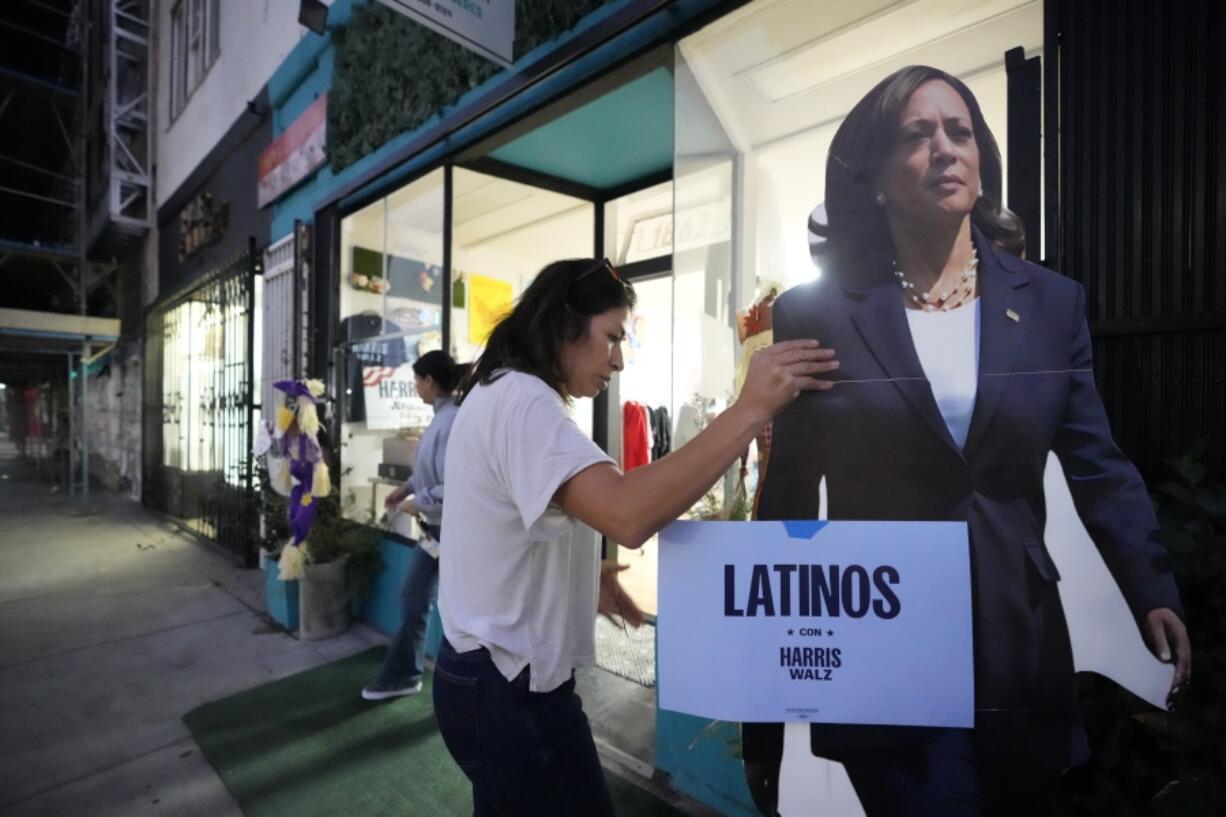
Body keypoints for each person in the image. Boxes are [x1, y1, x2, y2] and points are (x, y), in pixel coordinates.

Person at [739, 65, 1191, 817]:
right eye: (917, 135)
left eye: (961, 131)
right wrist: (764, 713)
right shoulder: (817, 313)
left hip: (1017, 643)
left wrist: (1150, 585)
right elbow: (789, 497)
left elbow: (1098, 465)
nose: (946, 147)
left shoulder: (1050, 302)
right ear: (878, 174)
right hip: (885, 649)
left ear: (983, 158)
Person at [431, 257, 839, 817]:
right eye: (612, 336)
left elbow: (515, 520)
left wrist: (580, 575)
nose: (618, 359)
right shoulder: (524, 402)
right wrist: (749, 409)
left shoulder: (502, 391)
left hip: (486, 680)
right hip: (507, 689)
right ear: (562, 324)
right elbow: (626, 514)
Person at [361, 350, 463, 700]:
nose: (416, 387)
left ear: (429, 381)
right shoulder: (442, 418)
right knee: (416, 599)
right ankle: (406, 674)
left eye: (418, 380)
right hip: (436, 532)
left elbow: (458, 483)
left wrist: (416, 501)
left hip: (449, 534)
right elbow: (430, 472)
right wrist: (406, 489)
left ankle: (409, 676)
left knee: (424, 602)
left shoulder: (450, 421)